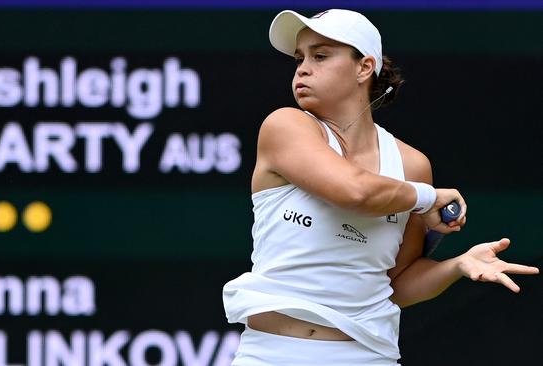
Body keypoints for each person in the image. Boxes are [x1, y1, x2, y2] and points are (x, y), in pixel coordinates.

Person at [222, 9, 539, 366]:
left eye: (320, 55)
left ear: (364, 67)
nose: (302, 68)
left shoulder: (412, 166)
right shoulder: (284, 126)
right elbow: (356, 193)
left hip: (368, 357)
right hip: (269, 355)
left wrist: (456, 266)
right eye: (300, 58)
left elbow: (396, 284)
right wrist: (428, 197)